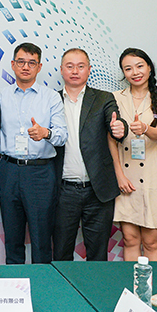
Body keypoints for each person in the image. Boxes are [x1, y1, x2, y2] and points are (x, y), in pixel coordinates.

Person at [0, 42, 67, 264]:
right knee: (12, 238)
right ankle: (14, 283)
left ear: (39, 67)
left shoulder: (51, 97)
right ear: (13, 65)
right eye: (21, 62)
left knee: (41, 238)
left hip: (40, 173)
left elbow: (62, 136)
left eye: (32, 63)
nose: (26, 67)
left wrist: (45, 133)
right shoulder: (0, 97)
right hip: (9, 170)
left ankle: (41, 283)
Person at [52, 49, 127, 262]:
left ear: (89, 69)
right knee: (61, 252)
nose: (75, 71)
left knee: (98, 255)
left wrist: (120, 128)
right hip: (63, 191)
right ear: (61, 70)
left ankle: (96, 286)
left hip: (97, 191)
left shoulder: (104, 98)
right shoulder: (51, 100)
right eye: (70, 66)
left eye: (81, 66)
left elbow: (115, 121)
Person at [112, 47, 157, 262]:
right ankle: (132, 282)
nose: (135, 72)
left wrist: (145, 128)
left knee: (151, 242)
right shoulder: (114, 98)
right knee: (130, 239)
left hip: (153, 176)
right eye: (128, 68)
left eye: (139, 66)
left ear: (149, 67)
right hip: (126, 177)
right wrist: (119, 176)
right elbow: (110, 140)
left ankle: (153, 283)